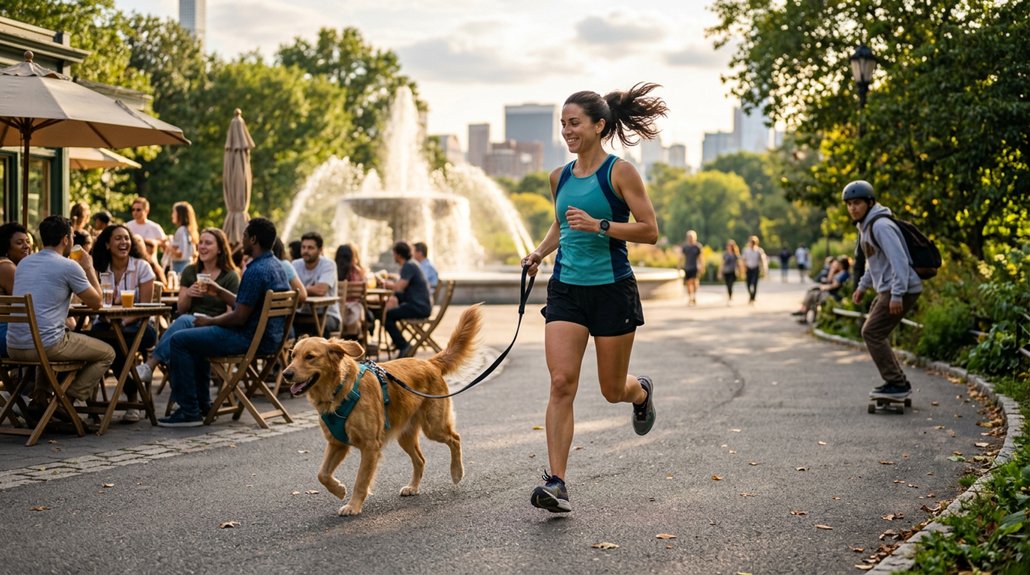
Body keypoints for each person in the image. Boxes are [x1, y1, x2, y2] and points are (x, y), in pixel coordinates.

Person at [520, 82, 664, 514]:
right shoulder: (558, 176)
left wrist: (601, 225)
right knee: (561, 383)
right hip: (566, 290)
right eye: (562, 124)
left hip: (612, 290)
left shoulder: (620, 172)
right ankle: (557, 482)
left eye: (574, 123)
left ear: (599, 126)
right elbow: (562, 223)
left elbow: (650, 231)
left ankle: (640, 394)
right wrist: (539, 253)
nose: (567, 131)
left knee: (610, 389)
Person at [158, 217, 290, 427]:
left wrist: (211, 320)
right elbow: (245, 304)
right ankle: (203, 404)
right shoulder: (276, 266)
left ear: (253, 239)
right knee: (194, 342)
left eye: (245, 235)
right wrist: (219, 292)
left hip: (246, 338)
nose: (241, 239)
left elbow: (239, 316)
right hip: (268, 339)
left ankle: (189, 410)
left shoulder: (255, 271)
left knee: (180, 340)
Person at [7, 216, 114, 419]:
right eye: (72, 236)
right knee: (107, 353)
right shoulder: (68, 266)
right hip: (44, 347)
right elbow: (97, 303)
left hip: (14, 347)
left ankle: (40, 399)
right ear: (66, 240)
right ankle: (66, 401)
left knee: (49, 336)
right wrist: (89, 266)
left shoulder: (24, 264)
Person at [844, 180, 923, 400]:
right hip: (891, 287)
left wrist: (897, 294)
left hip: (902, 287)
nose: (853, 208)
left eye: (857, 203)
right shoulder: (866, 227)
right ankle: (897, 381)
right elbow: (874, 263)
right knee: (874, 331)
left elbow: (899, 262)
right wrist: (862, 287)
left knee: (872, 332)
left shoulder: (881, 226)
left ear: (870, 203)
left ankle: (897, 383)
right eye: (849, 204)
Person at [135, 228, 240, 385]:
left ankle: (151, 365)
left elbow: (231, 313)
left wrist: (211, 321)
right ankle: (191, 402)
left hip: (216, 327)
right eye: (201, 243)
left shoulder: (229, 276)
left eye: (208, 243)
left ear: (220, 249)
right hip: (191, 326)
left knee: (184, 322)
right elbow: (182, 308)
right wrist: (188, 294)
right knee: (184, 324)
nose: (202, 246)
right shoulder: (190, 271)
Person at [90, 224, 157, 423]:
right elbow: (93, 303)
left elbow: (145, 307)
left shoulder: (141, 267)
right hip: (106, 325)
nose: (124, 242)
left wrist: (121, 322)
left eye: (126, 238)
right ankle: (84, 399)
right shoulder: (99, 269)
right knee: (94, 341)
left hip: (140, 327)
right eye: (118, 238)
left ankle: (133, 397)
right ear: (107, 244)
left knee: (116, 344)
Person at [382, 241, 431, 358]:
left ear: (399, 255)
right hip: (419, 305)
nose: (393, 256)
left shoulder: (408, 266)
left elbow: (399, 287)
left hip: (418, 307)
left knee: (388, 317)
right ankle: (397, 342)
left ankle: (403, 345)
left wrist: (384, 283)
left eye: (394, 253)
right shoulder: (411, 264)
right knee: (393, 304)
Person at [291, 231, 340, 338]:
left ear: (320, 249)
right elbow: (290, 289)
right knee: (284, 323)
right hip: (302, 313)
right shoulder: (295, 264)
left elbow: (321, 290)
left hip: (328, 314)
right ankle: (292, 354)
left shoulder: (328, 264)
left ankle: (321, 355)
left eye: (310, 248)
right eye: (303, 247)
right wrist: (310, 288)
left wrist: (301, 289)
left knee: (321, 327)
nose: (305, 251)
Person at [0, 222, 32, 357]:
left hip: (9, 333)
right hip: (5, 336)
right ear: (6, 247)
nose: (27, 246)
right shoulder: (7, 267)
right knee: (52, 341)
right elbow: (28, 306)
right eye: (19, 243)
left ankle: (25, 377)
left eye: (27, 241)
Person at [792, 256, 851, 322]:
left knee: (814, 295)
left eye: (838, 263)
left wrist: (825, 287)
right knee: (812, 292)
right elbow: (829, 280)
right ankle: (805, 312)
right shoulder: (841, 272)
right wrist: (832, 269)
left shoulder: (843, 273)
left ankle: (805, 312)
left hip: (833, 295)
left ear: (841, 264)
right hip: (830, 292)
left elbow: (835, 285)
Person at [334, 243, 368, 337]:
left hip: (337, 308)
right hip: (355, 311)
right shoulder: (357, 271)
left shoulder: (333, 270)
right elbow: (365, 284)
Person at [165, 201, 198, 275]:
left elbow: (180, 254)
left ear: (179, 215)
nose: (172, 215)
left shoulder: (181, 231)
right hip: (188, 264)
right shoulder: (188, 230)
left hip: (179, 266)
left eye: (174, 212)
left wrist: (168, 246)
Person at [679, 230, 704, 306]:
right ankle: (690, 298)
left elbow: (701, 257)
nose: (690, 238)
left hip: (695, 267)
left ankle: (694, 295)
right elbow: (682, 257)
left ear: (695, 237)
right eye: (689, 237)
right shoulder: (685, 247)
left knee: (695, 282)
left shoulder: (698, 246)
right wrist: (679, 266)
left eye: (692, 237)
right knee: (689, 283)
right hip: (687, 267)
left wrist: (702, 266)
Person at [741, 235, 768, 305]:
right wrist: (743, 270)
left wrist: (764, 271)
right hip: (748, 269)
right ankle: (751, 295)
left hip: (756, 269)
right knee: (748, 284)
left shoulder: (759, 251)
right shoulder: (746, 250)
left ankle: (753, 298)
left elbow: (762, 261)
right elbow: (743, 260)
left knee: (754, 284)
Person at [718, 239, 743, 304]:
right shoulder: (725, 254)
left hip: (733, 271)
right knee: (728, 285)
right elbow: (722, 264)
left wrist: (741, 271)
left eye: (731, 245)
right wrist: (720, 272)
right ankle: (729, 296)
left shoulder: (736, 254)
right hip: (726, 271)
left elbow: (739, 263)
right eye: (729, 245)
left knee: (730, 284)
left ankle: (730, 297)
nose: (730, 247)